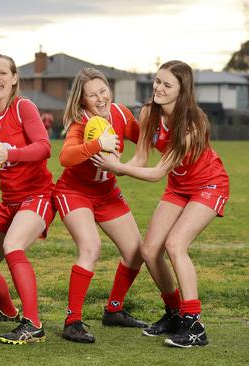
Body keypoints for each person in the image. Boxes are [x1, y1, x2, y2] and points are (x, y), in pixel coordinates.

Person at [92, 60, 229, 348]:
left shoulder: (194, 122)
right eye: (157, 81)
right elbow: (141, 158)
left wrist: (115, 166)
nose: (159, 88)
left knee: (176, 244)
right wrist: (114, 165)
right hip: (179, 187)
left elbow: (156, 172)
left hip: (209, 184)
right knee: (149, 250)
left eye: (167, 85)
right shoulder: (148, 112)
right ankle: (175, 314)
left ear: (182, 90)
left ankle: (195, 325)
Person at [53, 67, 147, 344]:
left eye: (103, 91)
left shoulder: (120, 114)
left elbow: (144, 137)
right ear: (82, 101)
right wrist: (97, 144)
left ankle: (114, 310)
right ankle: (72, 321)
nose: (100, 98)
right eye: (92, 95)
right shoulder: (80, 123)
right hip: (74, 192)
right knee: (91, 248)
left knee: (135, 253)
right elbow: (66, 157)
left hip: (107, 192)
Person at [0, 54, 55, 345]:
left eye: (2, 72)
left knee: (13, 246)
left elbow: (44, 148)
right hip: (9, 202)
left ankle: (33, 324)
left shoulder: (23, 108)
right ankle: (9, 312)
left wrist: (11, 153)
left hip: (37, 195)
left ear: (14, 78)